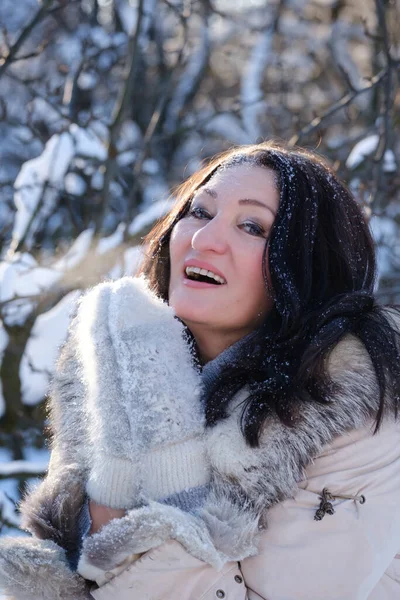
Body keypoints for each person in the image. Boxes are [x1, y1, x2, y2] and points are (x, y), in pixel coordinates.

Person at [1, 141, 400, 600]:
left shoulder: (359, 408)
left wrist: (128, 512)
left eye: (252, 226)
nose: (204, 239)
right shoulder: (118, 368)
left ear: (308, 266)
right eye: (199, 212)